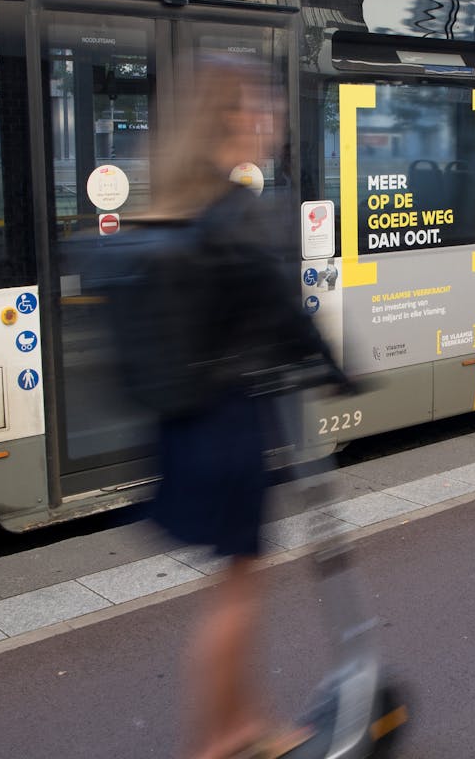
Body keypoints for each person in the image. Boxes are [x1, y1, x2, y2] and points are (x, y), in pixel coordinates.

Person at [108, 53, 347, 759]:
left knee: (234, 583)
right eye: (263, 109)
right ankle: (215, 743)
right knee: (238, 591)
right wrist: (339, 371)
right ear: (235, 116)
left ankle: (242, 725)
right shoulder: (236, 208)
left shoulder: (178, 197)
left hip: (184, 428)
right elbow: (284, 313)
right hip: (229, 424)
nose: (271, 124)